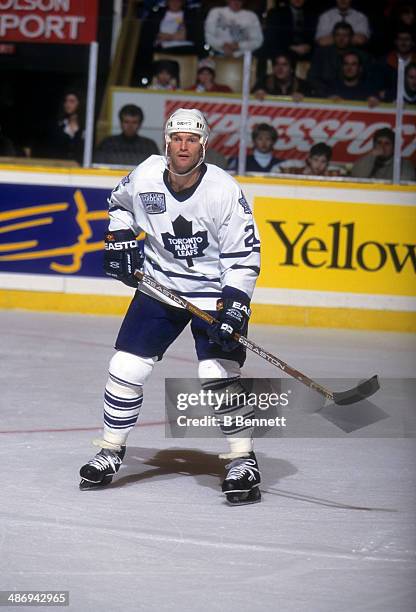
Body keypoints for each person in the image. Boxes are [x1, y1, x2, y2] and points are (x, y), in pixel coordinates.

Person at [79, 108, 262, 506]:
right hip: (160, 288)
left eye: (192, 139)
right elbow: (117, 203)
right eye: (177, 138)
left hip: (213, 293)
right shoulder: (145, 175)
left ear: (204, 145)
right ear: (166, 142)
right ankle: (111, 449)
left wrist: (234, 307)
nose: (183, 145)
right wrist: (120, 236)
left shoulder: (224, 190)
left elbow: (244, 255)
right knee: (125, 367)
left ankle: (243, 459)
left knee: (217, 373)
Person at [94, 105, 160, 167]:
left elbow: (156, 169)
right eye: (126, 122)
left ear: (140, 124)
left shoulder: (149, 146)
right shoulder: (107, 144)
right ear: (120, 123)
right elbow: (98, 167)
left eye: (134, 122)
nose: (130, 126)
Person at [351, 127, 416, 181]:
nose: (382, 146)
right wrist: (372, 155)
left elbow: (406, 184)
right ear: (374, 145)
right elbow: (357, 176)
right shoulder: (366, 160)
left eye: (387, 143)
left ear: (393, 147)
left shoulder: (403, 164)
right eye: (379, 142)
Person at [45, 90, 84, 164]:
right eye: (66, 101)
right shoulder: (58, 126)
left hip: (80, 170)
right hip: (60, 167)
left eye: (72, 101)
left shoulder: (85, 127)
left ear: (79, 104)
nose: (68, 104)